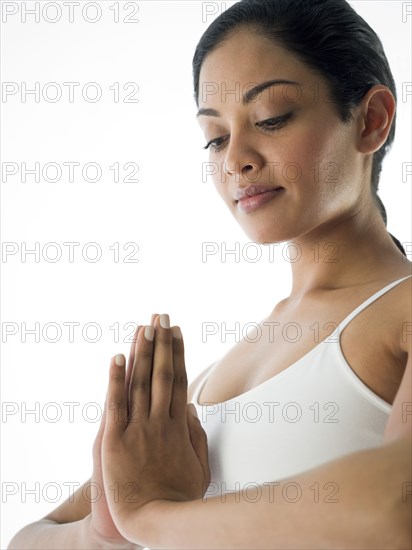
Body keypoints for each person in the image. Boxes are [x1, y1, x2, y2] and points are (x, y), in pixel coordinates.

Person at [8, 0, 411, 548]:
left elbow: (396, 505)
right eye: (215, 138)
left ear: (372, 119)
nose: (235, 160)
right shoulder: (207, 382)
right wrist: (106, 528)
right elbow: (30, 539)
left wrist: (149, 517)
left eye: (271, 118)